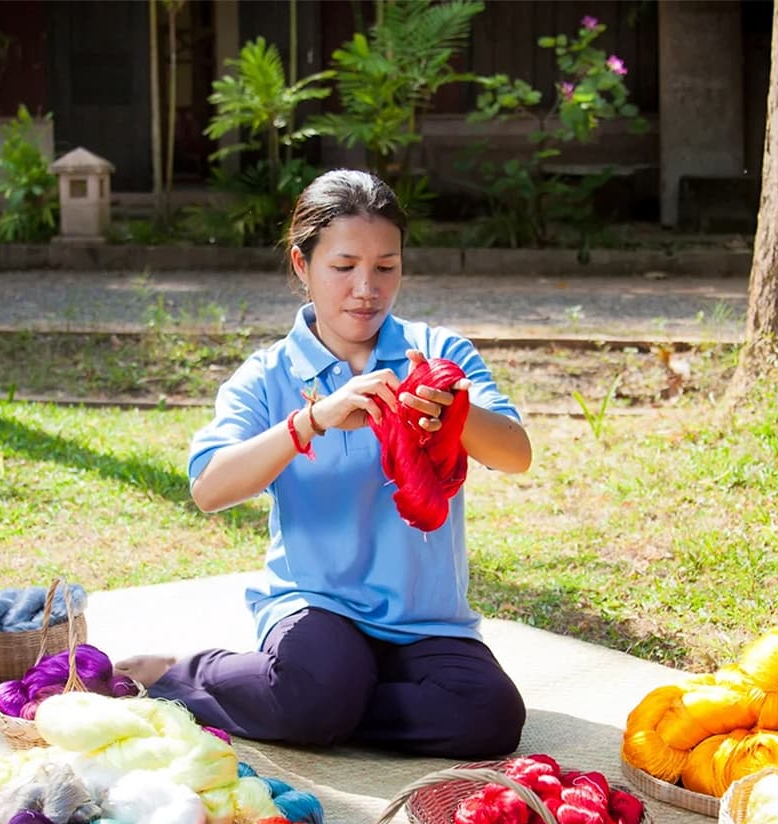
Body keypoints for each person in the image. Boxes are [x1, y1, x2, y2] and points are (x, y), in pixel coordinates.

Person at [117, 169, 532, 758]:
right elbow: (209, 488)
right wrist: (310, 420)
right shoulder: (267, 376)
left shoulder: (438, 353)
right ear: (301, 266)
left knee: (489, 718)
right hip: (315, 605)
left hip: (424, 619)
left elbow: (516, 454)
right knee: (319, 691)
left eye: (386, 267)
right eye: (344, 267)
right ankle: (182, 674)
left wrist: (454, 413)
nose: (367, 288)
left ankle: (325, 699)